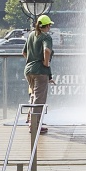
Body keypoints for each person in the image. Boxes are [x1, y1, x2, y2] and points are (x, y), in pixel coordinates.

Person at [24, 8, 54, 138]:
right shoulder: (46, 36)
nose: (50, 27)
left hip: (29, 70)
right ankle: (35, 125)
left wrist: (32, 61)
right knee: (39, 98)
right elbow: (47, 50)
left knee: (33, 96)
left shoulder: (31, 35)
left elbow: (24, 52)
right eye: (49, 25)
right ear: (46, 26)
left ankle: (31, 121)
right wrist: (45, 64)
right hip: (40, 71)